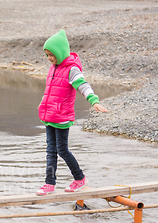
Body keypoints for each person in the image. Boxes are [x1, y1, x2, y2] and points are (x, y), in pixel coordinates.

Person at [36, 30, 108, 196]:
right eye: (47, 55)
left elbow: (83, 85)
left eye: (52, 55)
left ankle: (80, 178)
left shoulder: (72, 69)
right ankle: (49, 183)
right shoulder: (53, 68)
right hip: (49, 116)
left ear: (60, 52)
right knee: (50, 150)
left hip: (61, 116)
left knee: (62, 150)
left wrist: (93, 100)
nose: (49, 58)